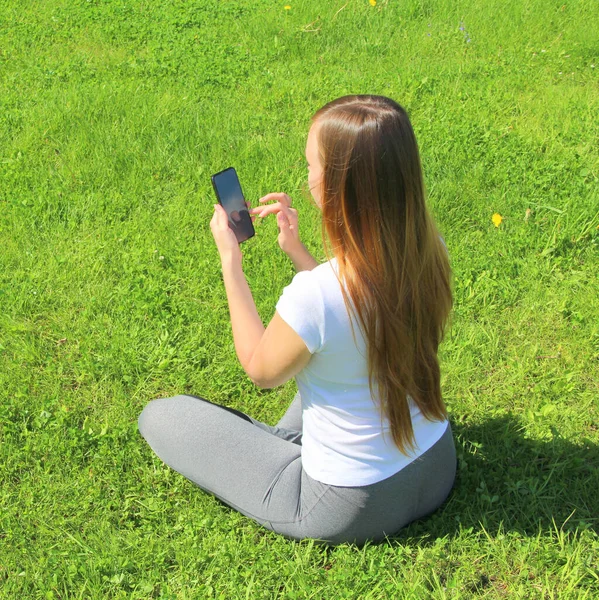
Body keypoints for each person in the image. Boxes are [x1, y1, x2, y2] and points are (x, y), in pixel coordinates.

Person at [138, 95, 456, 545]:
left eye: (312, 167)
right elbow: (356, 320)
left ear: (337, 185)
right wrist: (298, 252)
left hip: (348, 505)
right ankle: (278, 444)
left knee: (161, 417)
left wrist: (231, 262)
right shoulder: (427, 249)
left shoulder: (319, 294)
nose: (307, 179)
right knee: (325, 368)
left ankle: (274, 447)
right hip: (435, 466)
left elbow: (260, 369)